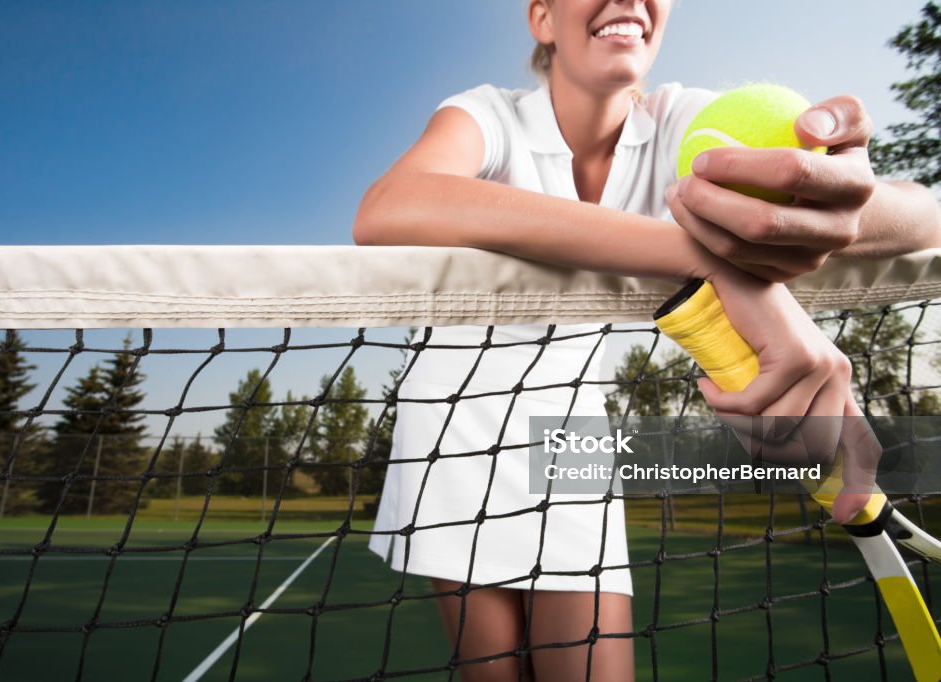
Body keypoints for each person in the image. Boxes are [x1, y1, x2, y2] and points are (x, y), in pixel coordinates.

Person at [353, 2, 941, 680]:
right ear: (543, 19)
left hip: (571, 435)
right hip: (452, 430)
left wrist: (836, 199)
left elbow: (922, 216)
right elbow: (389, 206)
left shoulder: (681, 124)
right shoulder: (486, 114)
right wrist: (705, 256)